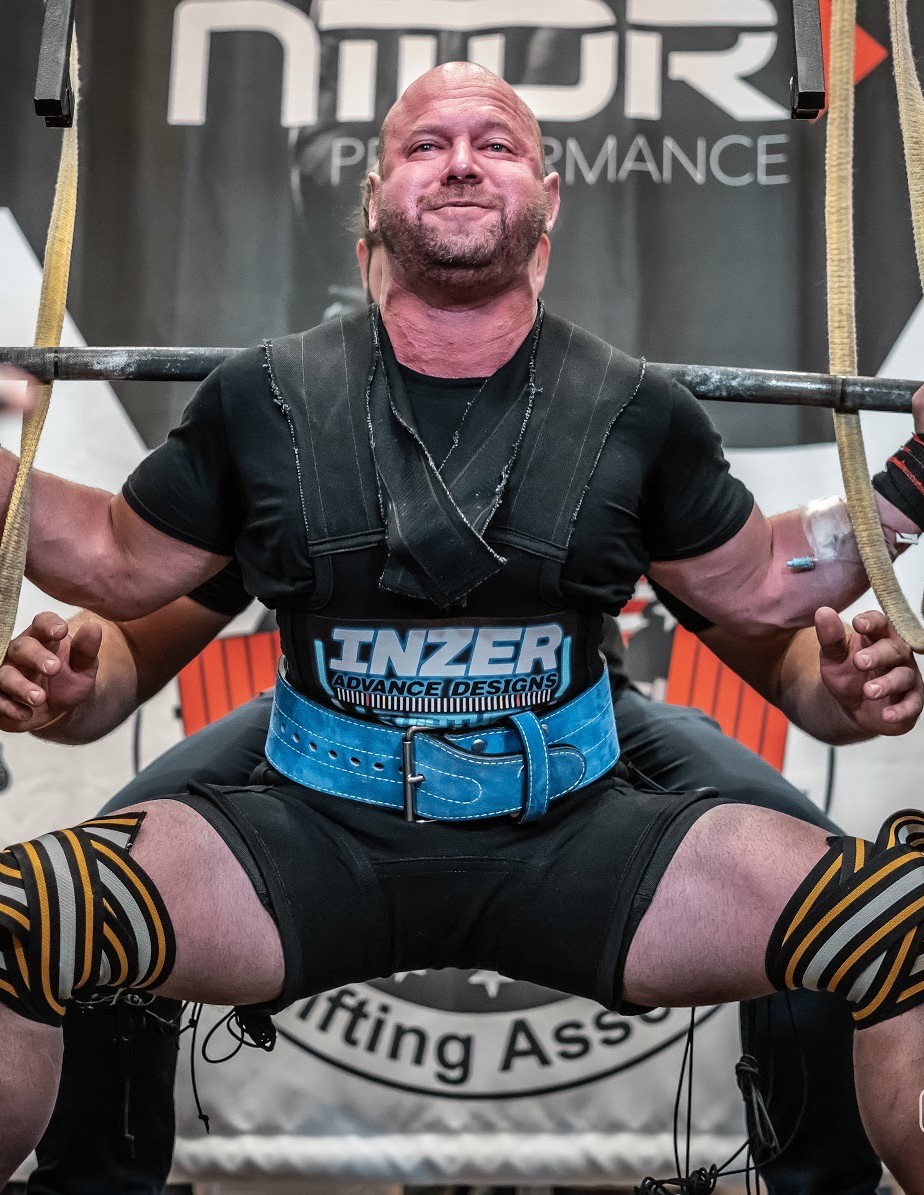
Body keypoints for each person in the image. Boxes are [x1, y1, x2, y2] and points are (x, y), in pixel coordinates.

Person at [3, 61, 924, 1189]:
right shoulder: (268, 408)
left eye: (493, 143)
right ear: (373, 205)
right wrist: (77, 676)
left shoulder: (633, 417)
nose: (460, 164)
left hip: (574, 792)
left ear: (546, 202)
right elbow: (112, 567)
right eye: (426, 145)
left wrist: (912, 489)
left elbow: (765, 591)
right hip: (317, 801)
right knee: (43, 916)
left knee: (883, 915)